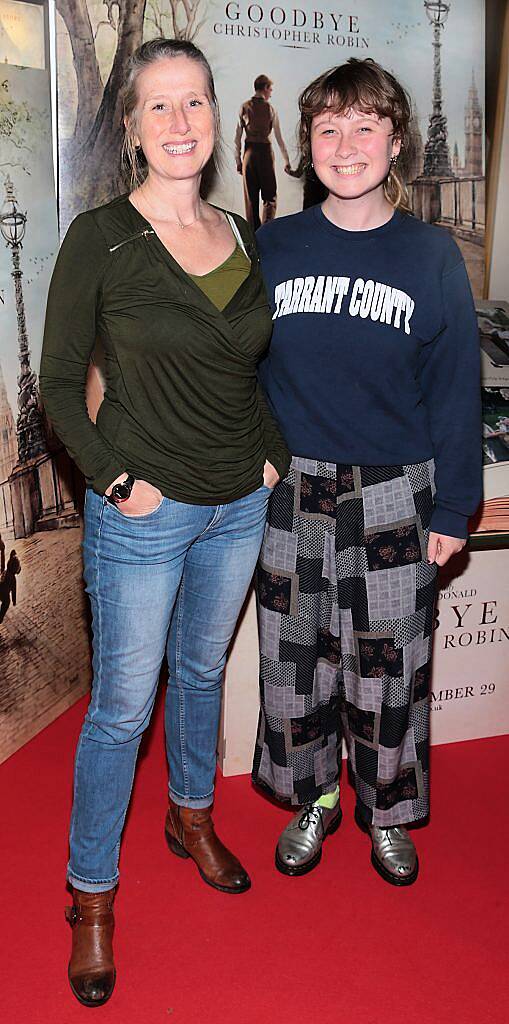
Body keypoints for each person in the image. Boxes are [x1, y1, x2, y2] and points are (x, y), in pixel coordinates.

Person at [40, 38, 289, 1007]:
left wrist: (267, 450)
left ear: (218, 116)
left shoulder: (237, 230)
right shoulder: (100, 236)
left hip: (239, 502)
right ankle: (90, 893)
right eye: (159, 107)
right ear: (133, 128)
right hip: (144, 512)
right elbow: (59, 383)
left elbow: (245, 362)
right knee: (119, 710)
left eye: (195, 103)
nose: (180, 122)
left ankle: (190, 816)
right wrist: (112, 481)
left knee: (199, 674)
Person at [252, 58, 481, 886]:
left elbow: (455, 388)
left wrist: (455, 507)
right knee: (293, 661)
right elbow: (235, 373)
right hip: (293, 493)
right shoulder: (270, 246)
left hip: (395, 491)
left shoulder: (430, 258)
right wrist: (252, 464)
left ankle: (386, 810)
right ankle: (311, 800)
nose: (344, 145)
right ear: (305, 143)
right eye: (326, 128)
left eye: (363, 126)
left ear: (394, 142)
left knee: (390, 666)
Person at [234, 74, 292, 230]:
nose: (271, 93)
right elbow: (279, 138)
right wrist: (287, 161)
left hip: (249, 154)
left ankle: (253, 234)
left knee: (251, 199)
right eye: (270, 89)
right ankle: (266, 230)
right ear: (265, 88)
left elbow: (237, 138)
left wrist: (238, 161)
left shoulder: (244, 107)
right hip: (265, 153)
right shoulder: (270, 108)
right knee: (270, 196)